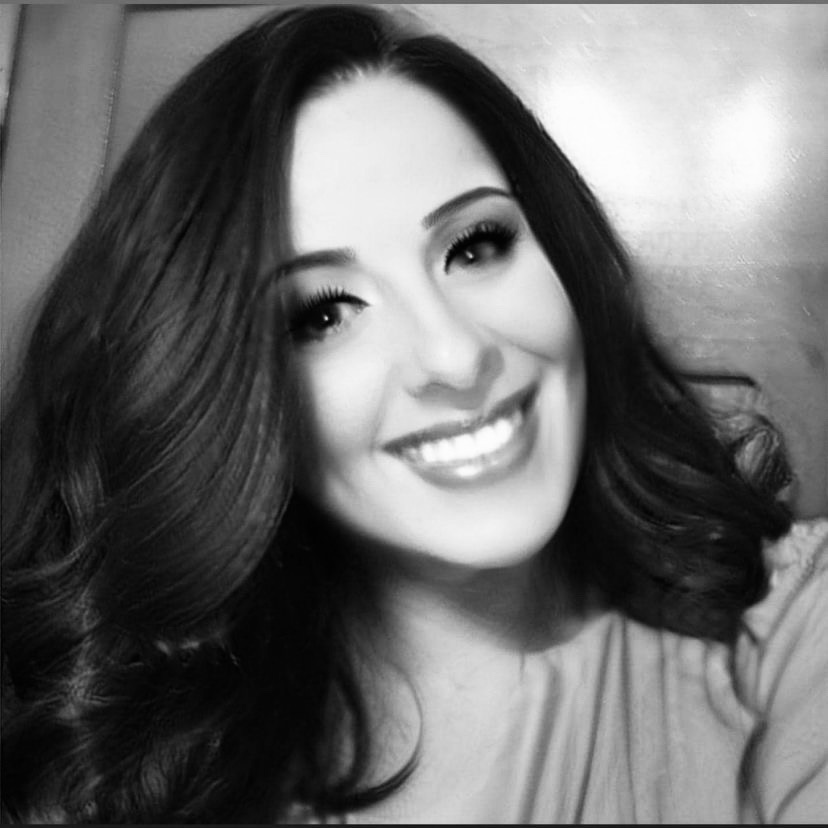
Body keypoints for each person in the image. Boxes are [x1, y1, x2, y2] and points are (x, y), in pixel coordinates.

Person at [2, 4, 826, 824]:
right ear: (218, 393)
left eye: (475, 247)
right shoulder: (146, 777)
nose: (455, 356)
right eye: (323, 313)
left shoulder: (794, 624)